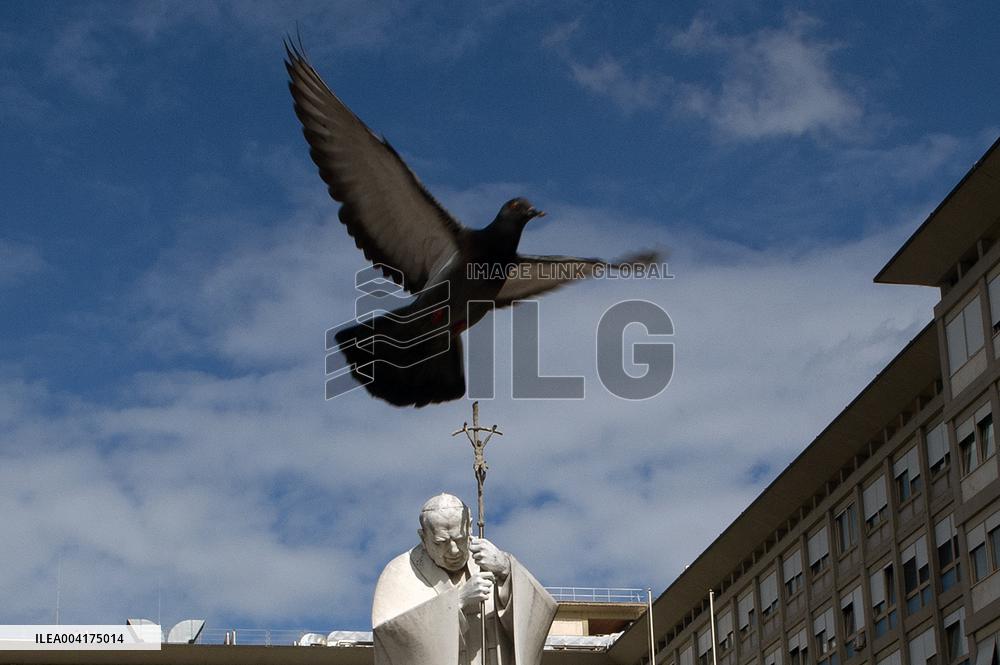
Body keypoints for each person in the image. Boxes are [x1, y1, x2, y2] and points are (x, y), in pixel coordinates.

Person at [372, 493, 556, 665]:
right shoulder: (399, 572)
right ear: (423, 537)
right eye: (440, 542)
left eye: (460, 539)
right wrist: (457, 601)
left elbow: (540, 615)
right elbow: (392, 636)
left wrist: (507, 571)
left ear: (470, 527)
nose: (454, 550)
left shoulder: (493, 560)